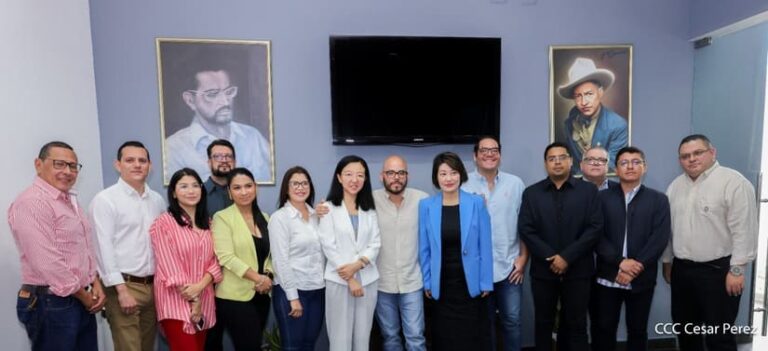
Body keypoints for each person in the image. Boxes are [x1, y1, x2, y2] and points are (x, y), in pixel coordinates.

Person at [662, 134, 758, 351]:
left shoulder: (734, 183)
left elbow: (744, 231)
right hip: (683, 272)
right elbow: (668, 230)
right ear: (680, 160)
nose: (691, 159)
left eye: (698, 153)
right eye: (685, 156)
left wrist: (737, 270)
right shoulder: (675, 187)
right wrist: (667, 262)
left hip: (720, 272)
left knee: (719, 336)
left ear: (712, 152)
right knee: (686, 332)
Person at [8, 141, 106, 351]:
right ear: (38, 164)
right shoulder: (32, 203)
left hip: (78, 297)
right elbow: (48, 263)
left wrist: (94, 281)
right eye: (59, 164)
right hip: (52, 302)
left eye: (73, 166)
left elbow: (83, 249)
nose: (67, 171)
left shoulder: (68, 201)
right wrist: (85, 296)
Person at [518, 142, 602, 351]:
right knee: (543, 323)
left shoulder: (589, 191)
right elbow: (526, 229)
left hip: (579, 270)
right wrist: (551, 256)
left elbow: (595, 228)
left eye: (561, 157)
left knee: (577, 323)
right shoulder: (532, 193)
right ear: (545, 164)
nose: (557, 162)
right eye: (551, 158)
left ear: (571, 161)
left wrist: (567, 257)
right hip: (543, 272)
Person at [590, 146, 670, 351]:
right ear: (615, 169)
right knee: (604, 328)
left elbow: (659, 238)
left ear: (645, 167)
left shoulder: (658, 199)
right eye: (624, 163)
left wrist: (636, 266)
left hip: (641, 277)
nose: (630, 166)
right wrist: (620, 263)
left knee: (638, 330)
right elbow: (597, 235)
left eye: (636, 162)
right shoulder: (601, 198)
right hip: (608, 276)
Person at [89, 141, 166, 351]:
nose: (137, 165)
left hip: (153, 287)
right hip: (124, 286)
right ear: (118, 164)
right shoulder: (106, 200)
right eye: (130, 160)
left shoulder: (157, 201)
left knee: (148, 346)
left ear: (150, 166)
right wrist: (121, 290)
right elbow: (102, 249)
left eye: (142, 160)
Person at [419, 151, 493, 350]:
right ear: (436, 177)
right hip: (441, 284)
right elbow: (424, 248)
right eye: (443, 174)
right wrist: (427, 280)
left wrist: (485, 281)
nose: (448, 178)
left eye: (453, 172)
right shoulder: (426, 206)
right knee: (444, 337)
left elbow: (485, 245)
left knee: (469, 336)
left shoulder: (476, 202)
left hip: (469, 283)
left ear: (461, 174)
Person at [462, 136, 527, 351]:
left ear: (500, 154)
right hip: (478, 270)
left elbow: (525, 225)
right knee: (484, 325)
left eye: (494, 150)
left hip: (510, 268)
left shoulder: (515, 184)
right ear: (475, 155)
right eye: (484, 150)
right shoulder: (463, 184)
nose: (489, 154)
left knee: (512, 322)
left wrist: (523, 258)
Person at [150, 168, 222, 351]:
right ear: (174, 192)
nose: (191, 191)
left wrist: (199, 288)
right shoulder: (164, 223)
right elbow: (169, 265)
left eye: (195, 185)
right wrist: (194, 300)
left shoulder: (208, 223)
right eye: (183, 186)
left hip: (204, 299)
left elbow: (216, 261)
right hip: (176, 301)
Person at [165, 65, 271, 182]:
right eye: (212, 94)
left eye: (229, 92)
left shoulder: (253, 136)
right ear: (190, 100)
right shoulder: (174, 148)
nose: (225, 101)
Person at [318, 155, 381, 351]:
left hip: (368, 280)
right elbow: (328, 245)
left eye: (360, 175)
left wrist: (358, 265)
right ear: (339, 177)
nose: (355, 180)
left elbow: (376, 243)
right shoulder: (328, 208)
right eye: (349, 174)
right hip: (339, 281)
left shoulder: (369, 209)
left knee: (363, 337)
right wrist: (351, 277)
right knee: (339, 338)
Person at [207, 167, 273, 351]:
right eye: (237, 188)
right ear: (229, 192)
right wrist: (258, 278)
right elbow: (226, 256)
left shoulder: (265, 218)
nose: (244, 192)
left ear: (256, 188)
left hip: (261, 294)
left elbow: (271, 255)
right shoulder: (222, 218)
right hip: (234, 297)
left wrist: (268, 277)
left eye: (248, 186)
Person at [373, 155, 429, 351]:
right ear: (382, 176)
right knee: (390, 337)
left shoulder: (422, 199)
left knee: (415, 337)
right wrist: (322, 210)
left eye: (401, 173)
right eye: (391, 173)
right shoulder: (370, 201)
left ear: (407, 175)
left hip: (412, 281)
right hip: (382, 283)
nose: (396, 177)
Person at [269, 166, 326, 351]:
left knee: (309, 344)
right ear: (286, 188)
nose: (300, 187)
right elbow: (280, 261)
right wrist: (292, 297)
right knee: (293, 346)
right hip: (291, 291)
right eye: (295, 183)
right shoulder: (280, 218)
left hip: (317, 289)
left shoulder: (317, 216)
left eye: (304, 183)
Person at [558, 57, 628, 173]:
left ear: (600, 93)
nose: (584, 102)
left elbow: (612, 166)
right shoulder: (570, 122)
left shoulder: (618, 125)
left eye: (589, 94)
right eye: (578, 96)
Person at [204, 139, 236, 217]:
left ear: (235, 162)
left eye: (228, 156)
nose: (224, 160)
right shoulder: (199, 192)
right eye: (217, 156)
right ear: (209, 162)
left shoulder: (243, 191)